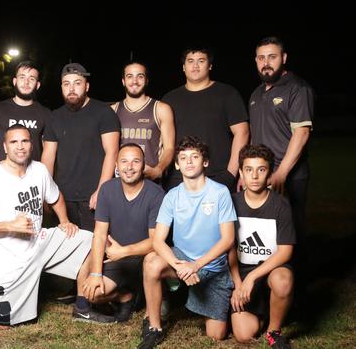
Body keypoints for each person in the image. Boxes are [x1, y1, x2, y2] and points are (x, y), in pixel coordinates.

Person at [0, 125, 99, 328]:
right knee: (2, 320)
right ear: (4, 147)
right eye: (14, 142)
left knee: (91, 240)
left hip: (39, 244)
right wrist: (11, 225)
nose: (20, 147)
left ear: (32, 145)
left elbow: (55, 196)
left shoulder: (39, 170)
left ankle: (82, 307)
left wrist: (64, 220)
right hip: (10, 261)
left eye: (25, 141)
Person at [138, 136, 236, 348]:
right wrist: (179, 265)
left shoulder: (220, 193)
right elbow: (158, 240)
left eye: (195, 157)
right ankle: (154, 327)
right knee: (151, 262)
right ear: (176, 164)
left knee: (216, 335)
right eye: (183, 158)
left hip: (211, 267)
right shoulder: (172, 196)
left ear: (205, 162)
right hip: (183, 261)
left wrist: (196, 266)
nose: (189, 162)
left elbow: (228, 239)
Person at [248, 36, 313, 271]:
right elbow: (255, 138)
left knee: (291, 231)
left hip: (289, 176)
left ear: (283, 58)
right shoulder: (256, 95)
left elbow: (302, 133)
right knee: (267, 232)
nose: (266, 62)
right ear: (256, 61)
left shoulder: (298, 88)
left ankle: (298, 287)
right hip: (261, 175)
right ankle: (268, 283)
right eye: (261, 57)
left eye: (272, 57)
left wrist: (282, 173)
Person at [80, 143, 165, 323]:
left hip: (146, 258)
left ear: (143, 166)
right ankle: (126, 296)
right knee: (92, 293)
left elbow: (156, 241)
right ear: (116, 166)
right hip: (117, 260)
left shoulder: (156, 194)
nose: (129, 167)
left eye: (135, 161)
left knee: (153, 267)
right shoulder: (107, 189)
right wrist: (96, 274)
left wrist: (123, 251)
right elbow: (100, 234)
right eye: (124, 161)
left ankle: (154, 296)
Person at [229, 144, 295, 348]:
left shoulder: (280, 204)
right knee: (243, 335)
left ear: (269, 173)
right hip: (242, 272)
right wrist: (238, 282)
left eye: (261, 169)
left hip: (271, 269)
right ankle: (266, 310)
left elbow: (285, 251)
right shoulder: (231, 202)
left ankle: (273, 331)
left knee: (283, 281)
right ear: (241, 172)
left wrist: (253, 277)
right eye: (248, 170)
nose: (255, 176)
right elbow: (228, 248)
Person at [42, 63, 120, 232]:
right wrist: (46, 192)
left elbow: (112, 152)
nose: (71, 88)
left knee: (96, 249)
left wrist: (102, 190)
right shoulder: (54, 117)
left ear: (87, 86)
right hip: (62, 197)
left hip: (93, 196)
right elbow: (48, 156)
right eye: (66, 83)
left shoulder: (104, 112)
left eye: (77, 83)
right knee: (66, 249)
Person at [162, 47, 249, 191]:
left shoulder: (227, 94)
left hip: (218, 177)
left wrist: (231, 174)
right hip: (178, 179)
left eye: (201, 61)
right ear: (184, 67)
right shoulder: (169, 99)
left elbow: (242, 132)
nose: (195, 66)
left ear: (210, 65)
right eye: (190, 61)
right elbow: (163, 142)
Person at [111, 61, 175, 182]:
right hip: (120, 181)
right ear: (123, 81)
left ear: (146, 81)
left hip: (150, 181)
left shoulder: (161, 109)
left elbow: (169, 148)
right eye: (130, 76)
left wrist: (158, 170)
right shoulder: (112, 111)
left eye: (140, 76)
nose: (134, 81)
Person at [0, 60, 51, 171]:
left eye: (31, 79)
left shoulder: (45, 113)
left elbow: (48, 151)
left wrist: (44, 178)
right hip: (4, 177)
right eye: (22, 77)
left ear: (37, 85)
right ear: (15, 81)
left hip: (33, 178)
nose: (26, 82)